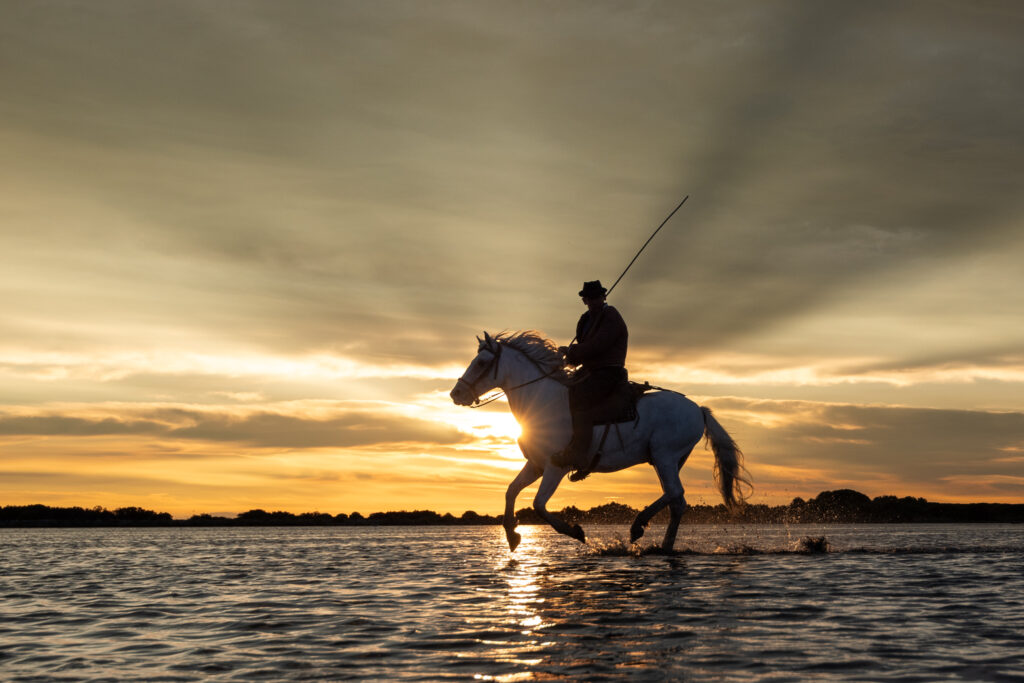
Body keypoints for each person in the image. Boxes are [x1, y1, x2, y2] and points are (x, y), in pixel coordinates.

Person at [552, 280, 628, 469]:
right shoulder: (585, 320)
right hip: (588, 371)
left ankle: (578, 454)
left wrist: (572, 352)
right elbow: (584, 352)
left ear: (603, 297)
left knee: (579, 401)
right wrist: (568, 357)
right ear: (584, 300)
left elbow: (599, 345)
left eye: (596, 297)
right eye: (589, 298)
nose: (593, 301)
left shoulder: (611, 316)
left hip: (608, 372)